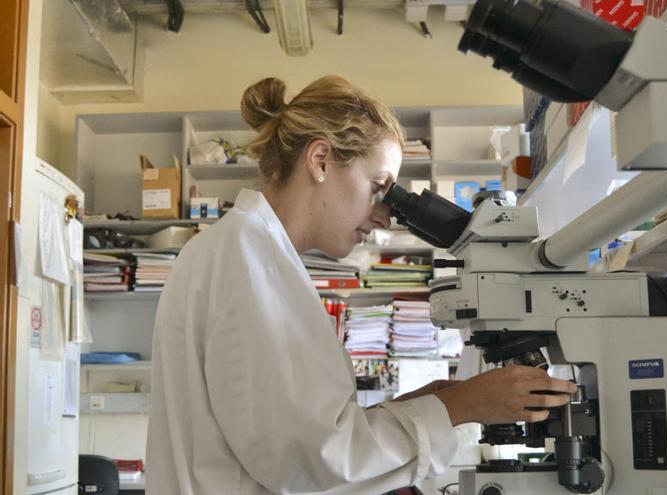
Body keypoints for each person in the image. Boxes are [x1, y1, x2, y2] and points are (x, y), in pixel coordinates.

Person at [146, 75, 576, 495]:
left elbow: (296, 438)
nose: (384, 217)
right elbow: (311, 461)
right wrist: (457, 408)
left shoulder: (242, 253)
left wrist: (414, 408)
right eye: (378, 188)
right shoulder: (251, 264)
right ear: (320, 161)